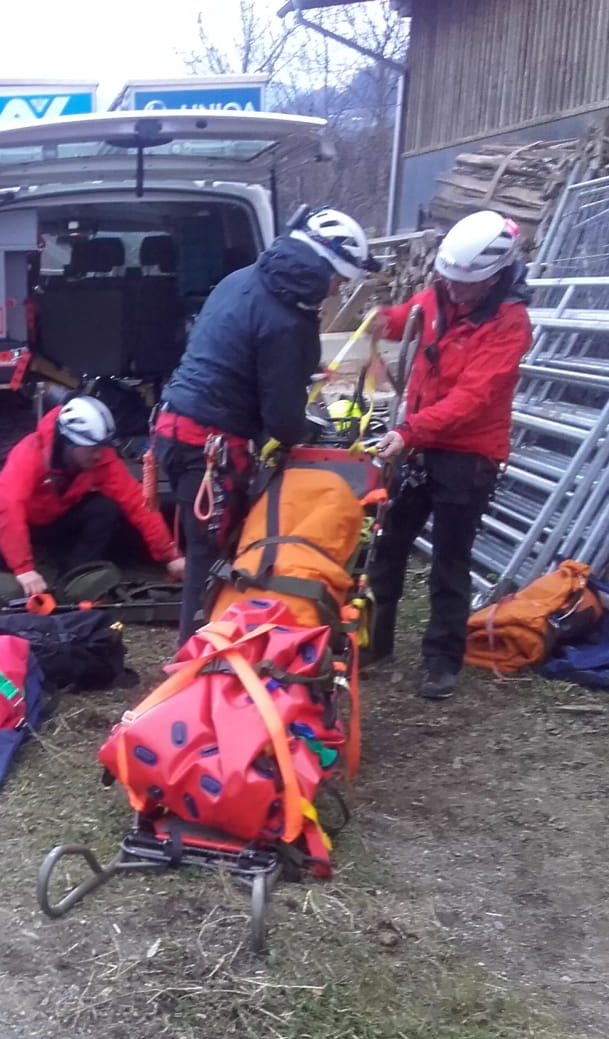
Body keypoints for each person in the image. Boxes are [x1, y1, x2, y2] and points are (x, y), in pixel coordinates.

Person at [152, 207, 379, 641]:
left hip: (176, 427)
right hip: (210, 446)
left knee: (210, 551)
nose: (337, 289)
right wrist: (307, 430)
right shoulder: (288, 319)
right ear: (323, 268)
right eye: (338, 280)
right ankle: (198, 656)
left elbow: (239, 356)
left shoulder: (242, 279)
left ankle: (218, 644)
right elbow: (282, 421)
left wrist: (293, 375)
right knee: (211, 558)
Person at [366, 210, 534, 699]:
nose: (453, 289)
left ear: (494, 277)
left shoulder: (509, 325)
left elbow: (471, 399)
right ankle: (373, 643)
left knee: (449, 560)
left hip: (467, 455)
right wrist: (378, 319)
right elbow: (407, 320)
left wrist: (409, 430)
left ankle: (441, 662)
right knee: (387, 545)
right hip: (419, 444)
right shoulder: (440, 295)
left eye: (465, 283)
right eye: (449, 279)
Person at [0, 396, 185, 597]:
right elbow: (7, 505)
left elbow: (137, 502)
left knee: (105, 508)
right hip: (26, 520)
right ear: (70, 443)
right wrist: (24, 568)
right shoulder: (30, 453)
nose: (99, 455)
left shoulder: (101, 458)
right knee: (1, 550)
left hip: (57, 518)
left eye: (101, 447)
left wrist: (170, 555)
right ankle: (15, 569)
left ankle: (75, 575)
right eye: (93, 448)